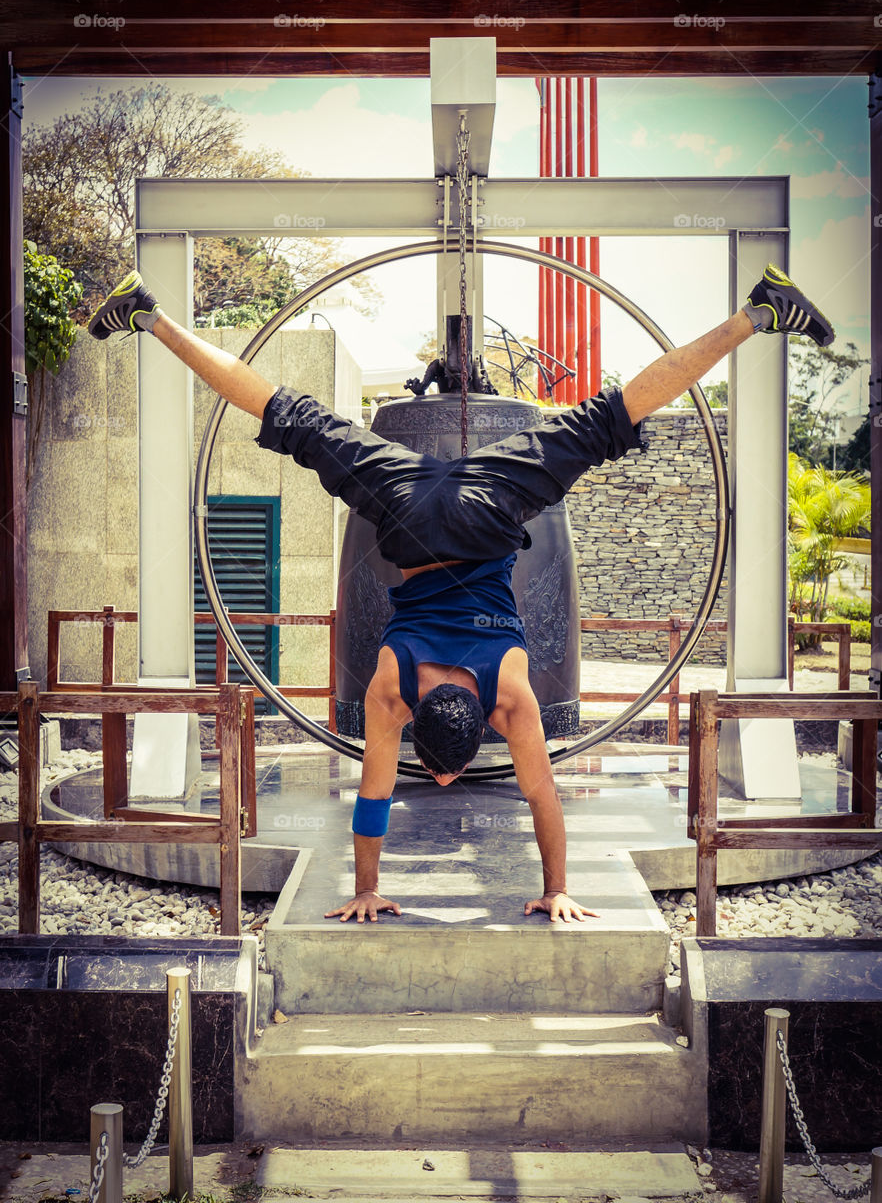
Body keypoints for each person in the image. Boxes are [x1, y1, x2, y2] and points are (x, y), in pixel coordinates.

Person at [89, 265, 834, 924]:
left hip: (486, 508)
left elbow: (538, 800)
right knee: (296, 420)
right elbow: (374, 805)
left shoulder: (509, 695)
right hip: (411, 512)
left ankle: (756, 312)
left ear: (479, 724)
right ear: (437, 729)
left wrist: (556, 887)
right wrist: (371, 889)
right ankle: (150, 315)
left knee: (608, 418)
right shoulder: (395, 692)